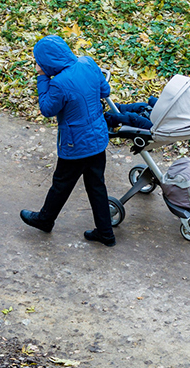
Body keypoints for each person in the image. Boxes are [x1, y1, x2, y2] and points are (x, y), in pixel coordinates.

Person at [20, 35, 117, 246]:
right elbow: (105, 90)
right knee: (96, 186)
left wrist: (43, 77)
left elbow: (46, 109)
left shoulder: (59, 84)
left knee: (61, 184)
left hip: (76, 144)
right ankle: (106, 233)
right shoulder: (88, 62)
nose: (37, 65)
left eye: (38, 62)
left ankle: (45, 220)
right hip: (98, 139)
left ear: (47, 62)